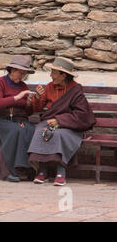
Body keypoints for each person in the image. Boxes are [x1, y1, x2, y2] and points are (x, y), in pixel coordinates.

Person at [27, 57, 96, 186]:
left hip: (70, 125)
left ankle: (61, 171)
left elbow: (82, 114)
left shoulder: (75, 89)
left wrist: (59, 121)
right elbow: (38, 108)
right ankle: (42, 170)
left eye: (54, 72)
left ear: (63, 75)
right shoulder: (49, 87)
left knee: (58, 134)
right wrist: (37, 97)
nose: (51, 75)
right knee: (40, 131)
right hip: (49, 121)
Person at [0, 55, 36, 182]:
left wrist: (29, 104)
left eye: (24, 74)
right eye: (21, 73)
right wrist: (17, 98)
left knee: (29, 130)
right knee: (15, 131)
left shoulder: (23, 86)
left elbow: (27, 112)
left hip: (19, 120)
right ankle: (8, 172)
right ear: (12, 70)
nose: (22, 76)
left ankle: (24, 169)